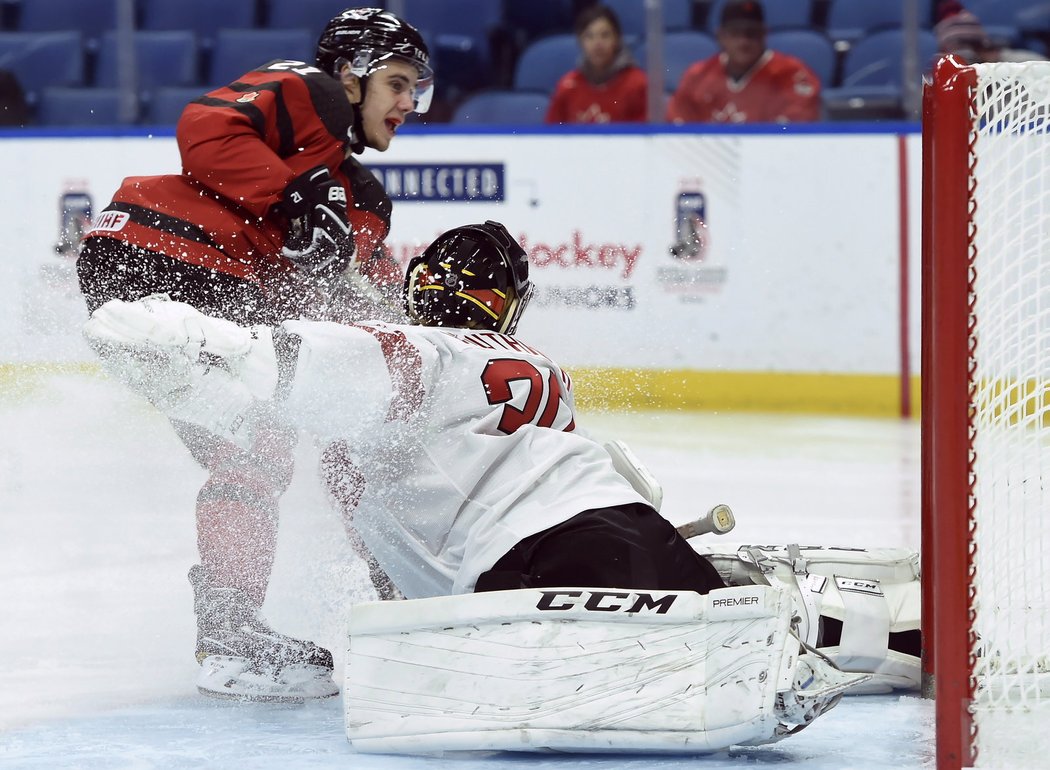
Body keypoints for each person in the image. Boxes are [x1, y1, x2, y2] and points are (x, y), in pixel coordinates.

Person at [83, 221, 921, 722]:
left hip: (532, 564)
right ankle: (903, 640)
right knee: (722, 622)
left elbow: (321, 362)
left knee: (656, 663)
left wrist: (205, 345)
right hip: (625, 523)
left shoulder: (419, 350)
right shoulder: (532, 361)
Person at [75, 7, 433, 701]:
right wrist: (290, 194)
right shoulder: (311, 93)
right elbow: (204, 129)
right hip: (160, 263)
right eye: (396, 83)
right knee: (259, 442)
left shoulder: (359, 195)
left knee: (320, 427)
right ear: (351, 77)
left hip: (215, 303)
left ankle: (400, 590)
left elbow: (351, 297)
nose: (407, 104)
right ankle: (231, 632)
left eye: (416, 88)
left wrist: (421, 331)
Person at [666, 0, 820, 124]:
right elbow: (679, 130)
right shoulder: (697, 75)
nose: (743, 42)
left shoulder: (793, 74)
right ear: (720, 36)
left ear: (764, 34)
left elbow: (795, 134)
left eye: (751, 34)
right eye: (735, 33)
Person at [545, 4, 648, 124]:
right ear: (580, 42)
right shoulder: (567, 86)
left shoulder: (638, 84)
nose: (597, 44)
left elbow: (646, 137)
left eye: (605, 35)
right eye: (589, 36)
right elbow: (551, 136)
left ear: (617, 39)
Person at [934, 1, 1047, 64]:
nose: (967, 53)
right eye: (959, 46)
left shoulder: (1025, 65)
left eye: (972, 44)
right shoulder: (936, 77)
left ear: (984, 45)